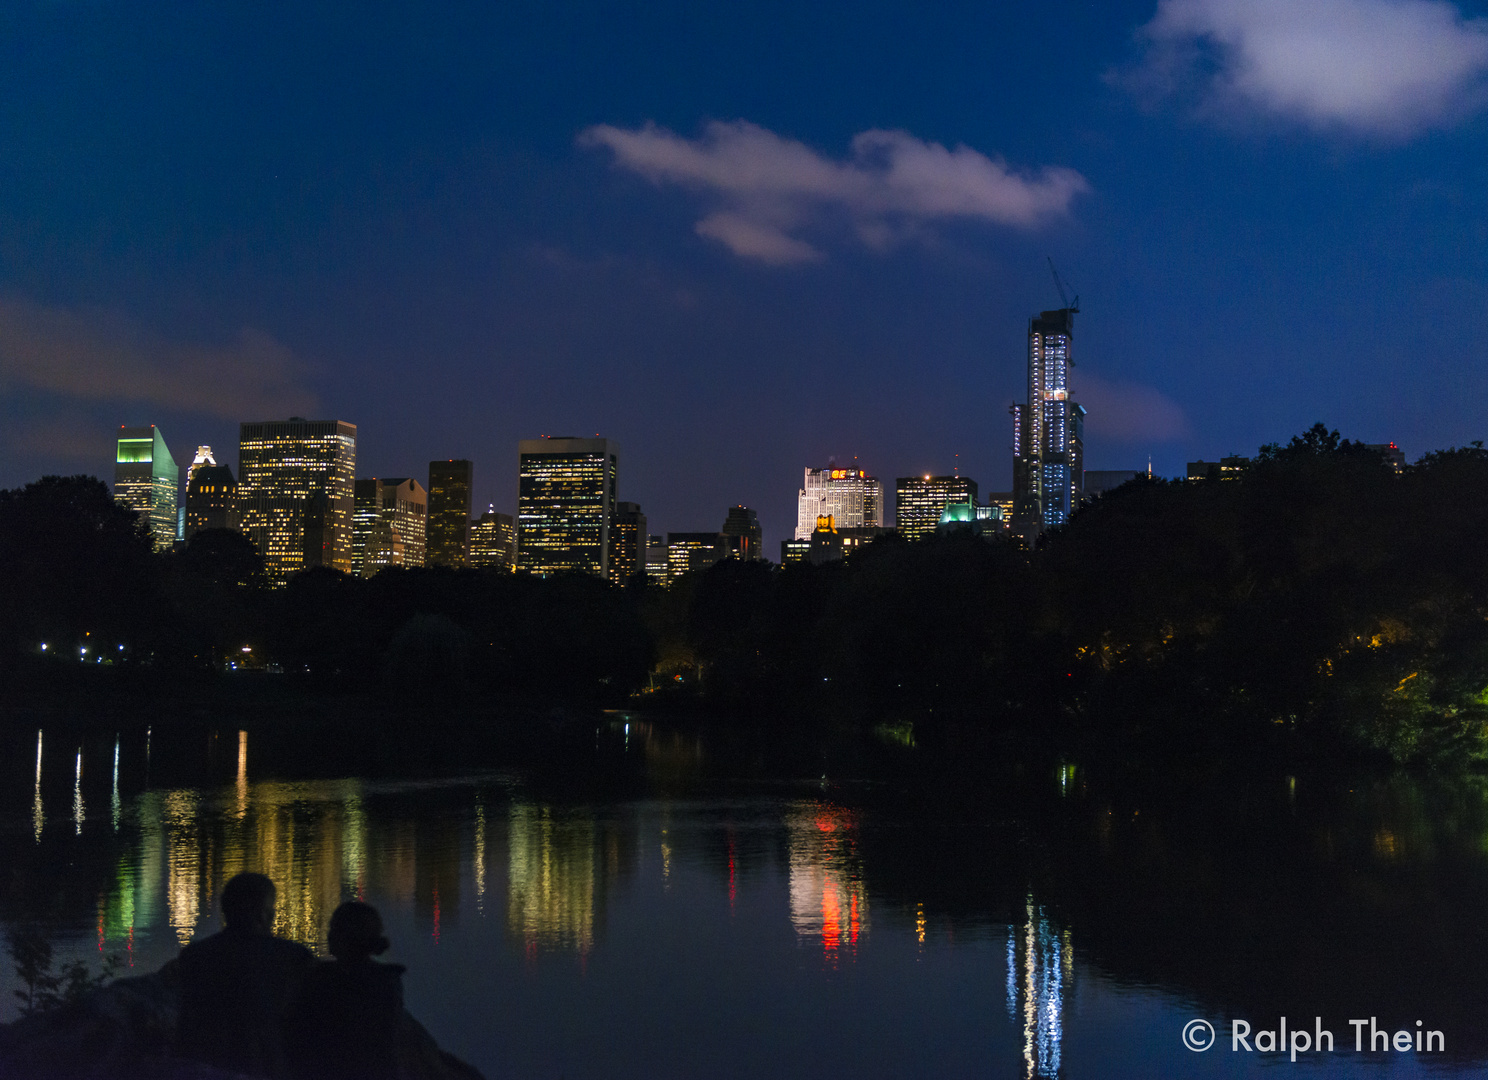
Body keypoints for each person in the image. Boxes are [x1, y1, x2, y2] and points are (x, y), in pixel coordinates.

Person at [175, 872, 315, 1077]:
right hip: (270, 1065)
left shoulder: (194, 956)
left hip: (210, 1064)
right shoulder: (293, 957)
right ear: (263, 914)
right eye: (271, 908)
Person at [285, 900, 406, 1080]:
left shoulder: (320, 979)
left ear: (344, 937)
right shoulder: (387, 981)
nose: (328, 935)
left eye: (333, 929)